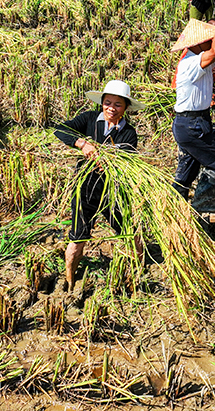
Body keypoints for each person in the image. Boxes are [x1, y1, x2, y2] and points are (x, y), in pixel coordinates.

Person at [54, 80, 144, 291]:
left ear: (126, 108)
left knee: (129, 232)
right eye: (107, 102)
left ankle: (139, 274)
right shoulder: (88, 119)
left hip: (113, 191)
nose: (111, 108)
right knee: (78, 237)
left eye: (118, 104)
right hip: (85, 189)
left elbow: (126, 159)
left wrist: (108, 163)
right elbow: (60, 130)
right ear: (101, 102)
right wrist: (82, 143)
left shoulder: (129, 133)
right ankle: (69, 281)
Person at [171, 0, 215, 215]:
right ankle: (202, 203)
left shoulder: (199, 62)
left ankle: (174, 209)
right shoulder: (192, 63)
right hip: (191, 125)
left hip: (195, 121)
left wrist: (213, 99)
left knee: (187, 172)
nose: (212, 42)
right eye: (208, 39)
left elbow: (201, 87)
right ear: (199, 43)